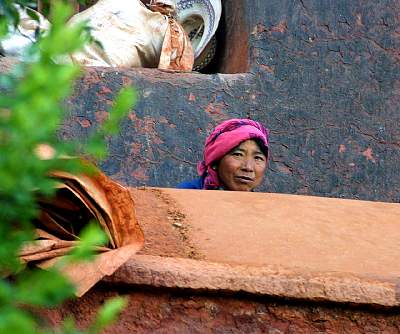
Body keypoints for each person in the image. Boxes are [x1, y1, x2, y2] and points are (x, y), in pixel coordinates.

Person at [178, 118, 269, 191]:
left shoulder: (264, 208)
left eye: (257, 157)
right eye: (238, 155)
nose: (248, 167)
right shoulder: (185, 195)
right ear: (216, 162)